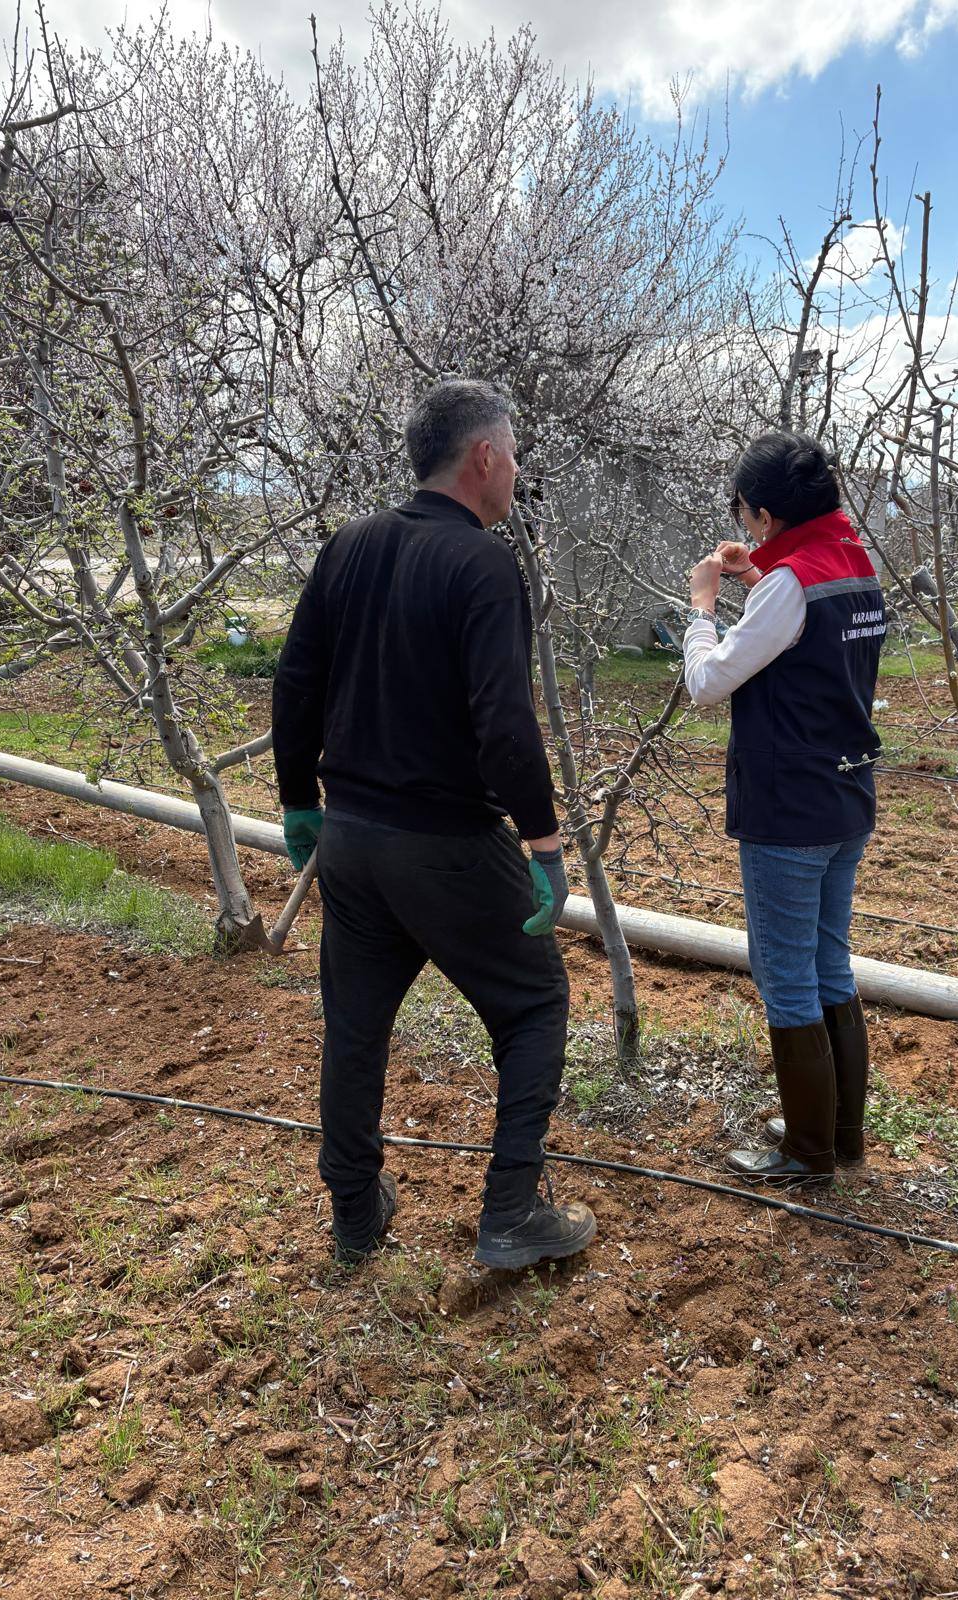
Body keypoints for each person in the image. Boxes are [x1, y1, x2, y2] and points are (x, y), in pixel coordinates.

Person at [272, 378, 596, 1269]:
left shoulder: (349, 545)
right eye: (514, 455)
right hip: (446, 843)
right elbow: (504, 723)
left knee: (355, 1026)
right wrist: (543, 842)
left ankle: (354, 1212)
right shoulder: (484, 565)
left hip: (351, 841)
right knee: (535, 1002)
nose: (518, 471)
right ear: (483, 457)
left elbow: (295, 680)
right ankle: (512, 1213)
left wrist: (299, 799)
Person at [682, 431, 885, 1185]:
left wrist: (703, 606)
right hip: (844, 795)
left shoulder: (790, 583)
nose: (743, 523)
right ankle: (839, 1136)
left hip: (787, 808)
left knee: (786, 974)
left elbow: (708, 682)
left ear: (764, 513)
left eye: (744, 512)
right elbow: (804, 638)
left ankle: (806, 1155)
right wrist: (758, 575)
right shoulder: (853, 562)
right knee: (830, 963)